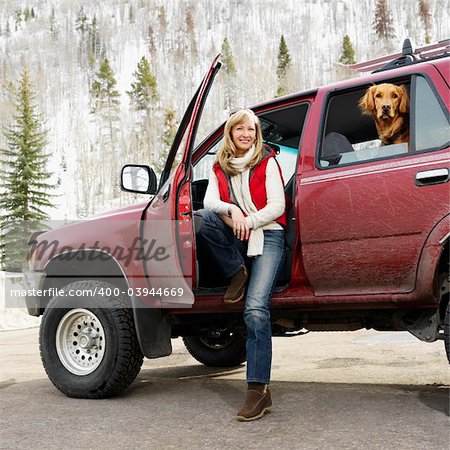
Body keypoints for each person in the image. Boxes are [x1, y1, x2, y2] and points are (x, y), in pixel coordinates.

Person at [197, 109, 286, 421]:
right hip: (240, 237)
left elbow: (278, 206)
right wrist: (232, 210)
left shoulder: (267, 161)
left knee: (254, 309)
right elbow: (209, 203)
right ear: (231, 133)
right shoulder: (220, 167)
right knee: (205, 220)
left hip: (269, 236)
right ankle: (237, 272)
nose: (246, 134)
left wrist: (247, 220)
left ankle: (258, 390)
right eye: (240, 129)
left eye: (251, 129)